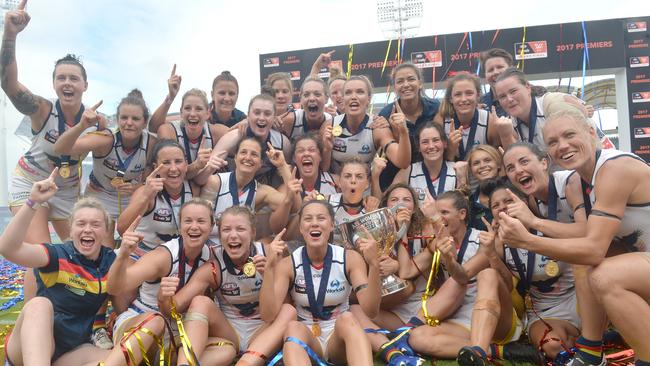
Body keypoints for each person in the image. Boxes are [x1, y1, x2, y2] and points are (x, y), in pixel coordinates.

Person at [497, 104, 650, 366]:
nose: (562, 146)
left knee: (604, 275)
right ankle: (590, 352)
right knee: (588, 263)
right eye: (553, 142)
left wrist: (528, 238)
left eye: (570, 135)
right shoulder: (584, 178)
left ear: (591, 132)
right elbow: (587, 237)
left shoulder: (615, 168)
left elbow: (593, 248)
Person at [0, 172, 162, 366]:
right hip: (29, 347)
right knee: (39, 305)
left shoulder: (111, 261)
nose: (87, 229)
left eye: (95, 224)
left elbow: (126, 295)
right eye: (81, 224)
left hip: (71, 351)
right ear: (71, 229)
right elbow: (9, 249)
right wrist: (32, 202)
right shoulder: (56, 255)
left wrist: (127, 253)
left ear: (105, 231)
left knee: (118, 360)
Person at [158, 206, 297, 365]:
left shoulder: (271, 255)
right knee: (200, 302)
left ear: (253, 232)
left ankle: (245, 363)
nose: (233, 235)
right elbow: (172, 309)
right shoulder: (213, 266)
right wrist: (163, 297)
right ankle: (185, 363)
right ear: (220, 234)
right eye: (226, 230)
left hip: (263, 330)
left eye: (240, 229)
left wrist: (269, 273)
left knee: (288, 311)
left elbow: (269, 315)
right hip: (229, 332)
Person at [457, 179, 569, 365]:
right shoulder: (499, 239)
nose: (502, 207)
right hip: (538, 308)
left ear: (523, 202)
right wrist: (491, 252)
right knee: (553, 347)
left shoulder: (547, 226)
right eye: (495, 205)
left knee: (558, 346)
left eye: (508, 201)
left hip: (570, 299)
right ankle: (478, 351)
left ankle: (594, 336)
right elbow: (502, 284)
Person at [260, 200, 382, 365]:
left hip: (338, 340)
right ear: (301, 228)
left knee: (347, 318)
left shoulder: (349, 258)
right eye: (308, 219)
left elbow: (371, 310)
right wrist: (269, 269)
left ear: (332, 225)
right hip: (308, 340)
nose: (314, 223)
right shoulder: (288, 264)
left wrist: (374, 265)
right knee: (293, 328)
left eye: (321, 218)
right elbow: (268, 315)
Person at [405, 191, 523, 360]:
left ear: (462, 214)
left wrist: (450, 261)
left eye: (444, 213)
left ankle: (479, 352)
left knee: (487, 274)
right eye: (437, 214)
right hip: (463, 319)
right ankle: (493, 351)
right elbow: (408, 271)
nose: (439, 218)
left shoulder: (484, 239)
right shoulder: (437, 245)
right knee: (418, 337)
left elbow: (463, 276)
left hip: (497, 318)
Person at [108, 199, 219, 364]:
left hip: (174, 333)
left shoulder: (211, 256)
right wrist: (123, 254)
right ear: (180, 226)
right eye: (188, 221)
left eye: (201, 221)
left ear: (211, 227)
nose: (194, 226)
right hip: (141, 322)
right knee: (156, 320)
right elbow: (115, 288)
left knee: (225, 347)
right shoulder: (164, 256)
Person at [54, 90, 156, 247]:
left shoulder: (151, 143)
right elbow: (61, 148)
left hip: (129, 197)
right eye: (124, 118)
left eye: (135, 118)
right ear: (117, 119)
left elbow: (153, 178)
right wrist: (82, 126)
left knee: (132, 246)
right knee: (103, 251)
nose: (129, 123)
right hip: (100, 194)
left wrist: (136, 187)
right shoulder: (106, 139)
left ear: (144, 122)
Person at [349, 183, 436, 365]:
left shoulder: (426, 231)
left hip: (416, 312)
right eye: (394, 200)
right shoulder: (379, 233)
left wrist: (402, 229)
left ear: (415, 207)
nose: (401, 204)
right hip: (388, 308)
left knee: (408, 287)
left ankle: (397, 343)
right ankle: (395, 351)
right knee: (355, 310)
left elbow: (405, 272)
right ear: (386, 206)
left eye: (407, 199)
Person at [200, 136, 300, 242]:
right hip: (210, 248)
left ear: (261, 163)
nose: (248, 157)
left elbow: (294, 206)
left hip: (240, 250)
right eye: (243, 152)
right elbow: (202, 222)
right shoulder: (215, 182)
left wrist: (282, 166)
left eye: (254, 154)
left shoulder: (262, 192)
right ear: (235, 157)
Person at [116, 140, 197, 259]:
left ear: (186, 165)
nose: (173, 168)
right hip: (143, 254)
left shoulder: (194, 189)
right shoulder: (146, 192)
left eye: (178, 161)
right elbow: (122, 229)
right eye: (166, 163)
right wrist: (146, 196)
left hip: (177, 257)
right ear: (156, 167)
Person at [493, 67, 604, 152]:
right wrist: (505, 136)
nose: (509, 99)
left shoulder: (553, 104)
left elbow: (585, 146)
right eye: (502, 96)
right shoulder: (509, 124)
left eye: (513, 91)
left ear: (527, 87)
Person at [322, 75, 411, 174]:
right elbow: (322, 170)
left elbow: (402, 162)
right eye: (348, 93)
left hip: (365, 187)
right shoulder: (329, 126)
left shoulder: (377, 126)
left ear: (369, 99)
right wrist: (326, 149)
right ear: (343, 98)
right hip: (335, 186)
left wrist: (403, 131)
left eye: (360, 92)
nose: (353, 97)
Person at [377, 63, 441, 190]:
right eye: (400, 81)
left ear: (420, 83)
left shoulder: (436, 108)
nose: (406, 84)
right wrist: (398, 134)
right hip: (396, 178)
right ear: (395, 87)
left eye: (411, 79)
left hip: (430, 175)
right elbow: (393, 154)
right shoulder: (386, 114)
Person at [210, 94, 292, 187]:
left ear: (274, 117)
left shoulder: (282, 143)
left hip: (264, 193)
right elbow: (206, 174)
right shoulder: (233, 137)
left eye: (267, 114)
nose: (261, 118)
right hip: (231, 191)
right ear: (248, 115)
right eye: (257, 113)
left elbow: (287, 180)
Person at [156, 88, 227, 181]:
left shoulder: (217, 132)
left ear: (207, 113)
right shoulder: (168, 131)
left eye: (198, 109)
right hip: (175, 185)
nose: (192, 114)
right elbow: (172, 173)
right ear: (181, 112)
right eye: (187, 108)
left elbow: (242, 135)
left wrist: (245, 122)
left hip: (202, 186)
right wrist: (196, 165)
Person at [391, 122, 467, 205]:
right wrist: (375, 177)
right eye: (425, 142)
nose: (431, 146)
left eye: (436, 140)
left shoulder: (457, 170)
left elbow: (464, 208)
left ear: (445, 143)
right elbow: (389, 201)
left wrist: (462, 181)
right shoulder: (408, 171)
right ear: (418, 147)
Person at [438, 72, 507, 161]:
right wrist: (450, 150)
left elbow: (498, 159)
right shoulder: (442, 120)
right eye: (458, 94)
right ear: (451, 98)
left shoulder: (488, 120)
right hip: (452, 172)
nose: (463, 99)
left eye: (469, 93)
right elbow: (437, 161)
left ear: (477, 96)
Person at [466, 145, 504, 231]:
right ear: (471, 169)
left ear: (498, 164)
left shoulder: (512, 189)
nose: (482, 166)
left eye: (487, 160)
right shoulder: (470, 203)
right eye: (476, 163)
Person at [479, 48, 513, 117]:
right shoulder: (480, 103)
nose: (495, 72)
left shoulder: (529, 96)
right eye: (490, 70)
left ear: (511, 69)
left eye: (500, 67)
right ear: (485, 75)